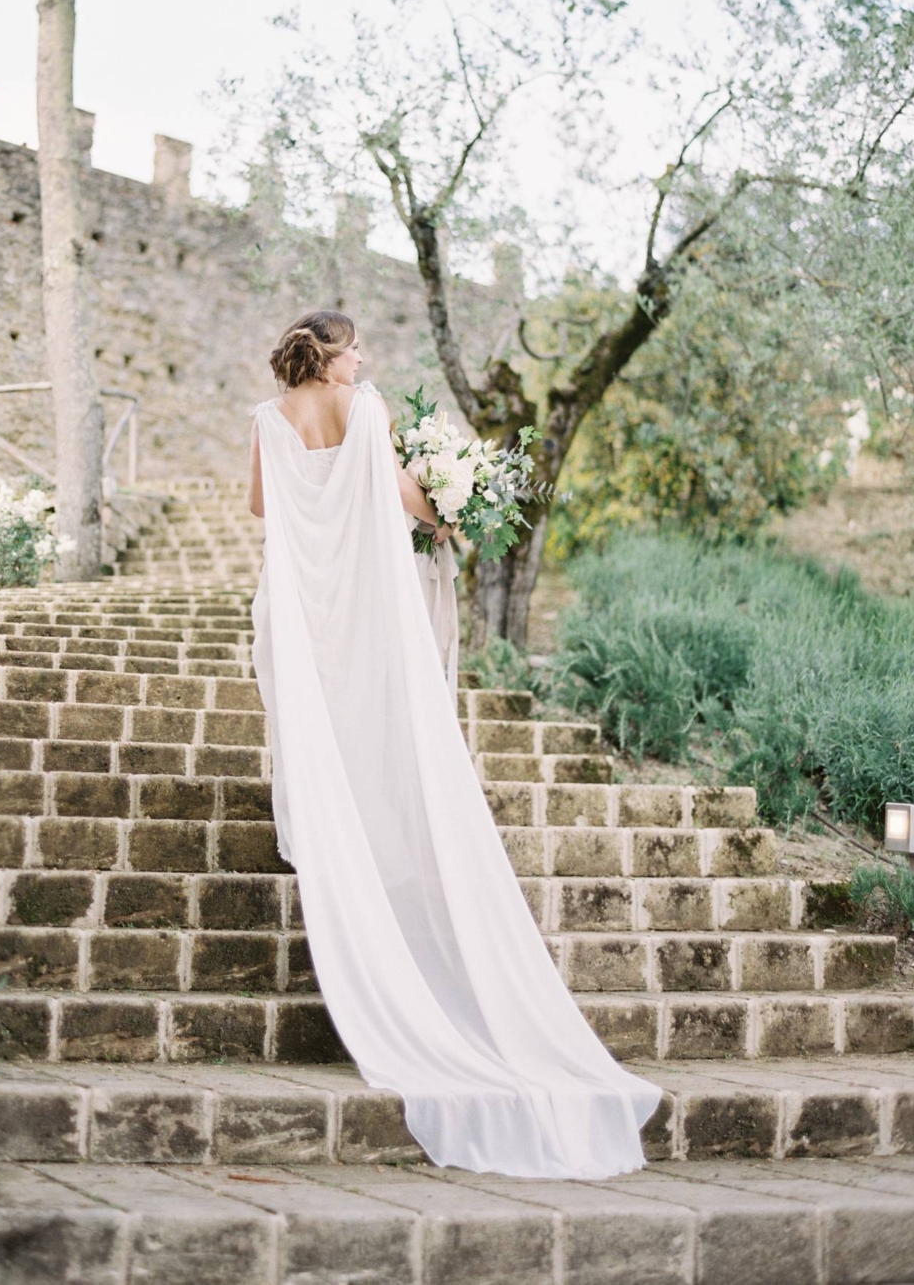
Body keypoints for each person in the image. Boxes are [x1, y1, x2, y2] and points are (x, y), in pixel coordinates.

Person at [248, 310, 662, 1179]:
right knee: (380, 720)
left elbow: (262, 505)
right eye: (352, 347)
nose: (362, 358)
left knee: (319, 728)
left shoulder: (264, 420)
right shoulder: (363, 409)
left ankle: (340, 837)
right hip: (365, 601)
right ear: (326, 357)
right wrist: (446, 509)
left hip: (297, 606)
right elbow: (399, 490)